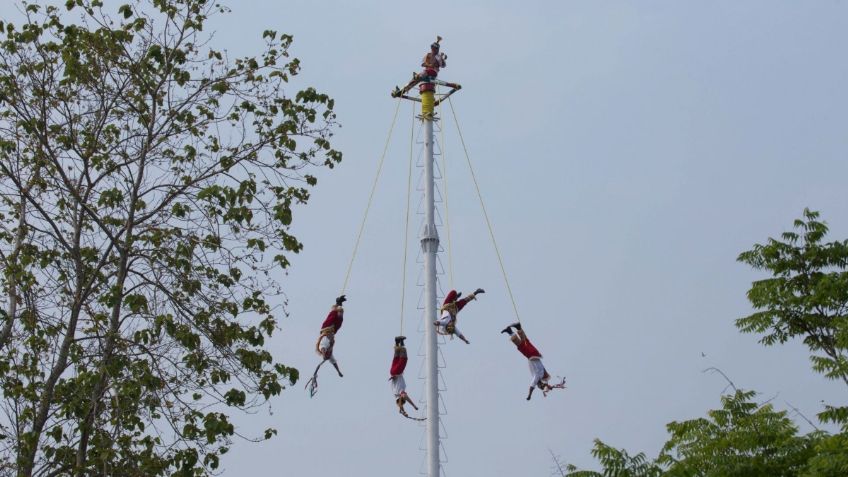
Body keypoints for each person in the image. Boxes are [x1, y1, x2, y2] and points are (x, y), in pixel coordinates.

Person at [501, 322, 565, 400]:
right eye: (539, 386)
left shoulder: (540, 375)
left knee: (525, 343)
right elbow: (532, 387)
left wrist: (548, 386)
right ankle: (511, 331)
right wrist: (529, 395)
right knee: (521, 345)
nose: (537, 385)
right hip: (532, 355)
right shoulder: (537, 377)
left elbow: (545, 383)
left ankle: (515, 329)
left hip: (534, 354)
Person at [389, 336, 423, 420]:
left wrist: (414, 406)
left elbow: (404, 399)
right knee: (396, 356)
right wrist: (402, 410)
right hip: (393, 371)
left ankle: (401, 343)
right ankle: (397, 341)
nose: (406, 395)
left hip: (397, 372)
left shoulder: (400, 392)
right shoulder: (395, 393)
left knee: (404, 356)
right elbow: (400, 403)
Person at [314, 295, 346, 378]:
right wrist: (339, 372)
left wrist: (324, 355)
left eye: (327, 355)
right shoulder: (330, 354)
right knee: (340, 318)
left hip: (326, 327)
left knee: (333, 315)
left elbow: (323, 349)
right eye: (328, 355)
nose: (329, 355)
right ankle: (340, 304)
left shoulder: (322, 346)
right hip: (333, 330)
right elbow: (334, 363)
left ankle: (337, 303)